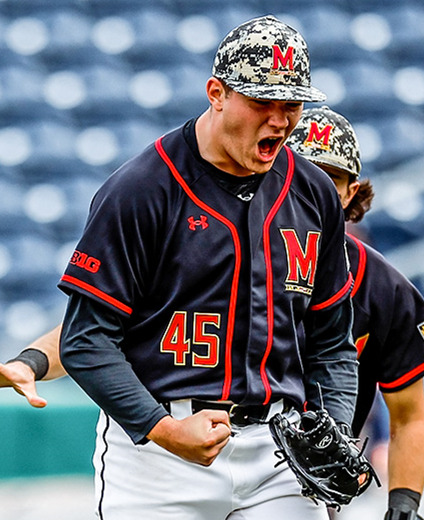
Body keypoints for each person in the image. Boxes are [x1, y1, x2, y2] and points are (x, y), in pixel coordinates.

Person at [2, 16, 359, 520]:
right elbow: (87, 339)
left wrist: (335, 430)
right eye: (262, 102)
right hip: (156, 453)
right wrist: (163, 430)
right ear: (217, 93)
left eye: (293, 104)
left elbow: (332, 342)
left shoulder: (313, 192)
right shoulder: (142, 189)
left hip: (280, 454)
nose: (280, 120)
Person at [286, 106, 424, 520]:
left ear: (351, 192)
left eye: (330, 179)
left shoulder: (383, 288)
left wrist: (403, 506)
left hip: (314, 475)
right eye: (303, 176)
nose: (314, 192)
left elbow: (408, 415)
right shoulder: (224, 254)